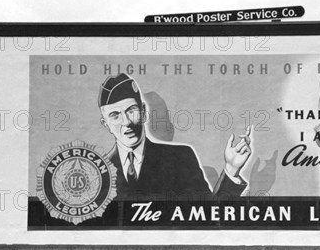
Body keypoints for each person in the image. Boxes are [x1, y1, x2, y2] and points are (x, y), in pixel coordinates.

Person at [98, 73, 252, 200]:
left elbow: (208, 216)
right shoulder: (98, 174)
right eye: (115, 115)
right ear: (106, 125)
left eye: (131, 110)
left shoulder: (180, 158)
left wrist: (232, 169)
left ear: (144, 111)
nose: (126, 122)